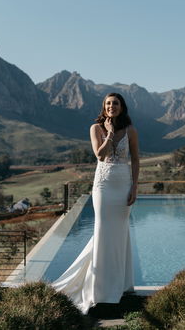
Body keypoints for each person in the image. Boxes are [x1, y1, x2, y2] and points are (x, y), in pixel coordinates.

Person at [52, 92, 139, 314]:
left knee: (120, 232)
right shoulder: (96, 129)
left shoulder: (131, 130)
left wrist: (135, 186)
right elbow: (100, 155)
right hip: (103, 185)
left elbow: (136, 159)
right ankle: (100, 289)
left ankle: (121, 284)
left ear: (122, 107)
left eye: (116, 103)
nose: (112, 106)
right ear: (104, 107)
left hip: (123, 185)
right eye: (108, 103)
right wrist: (109, 134)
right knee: (103, 229)